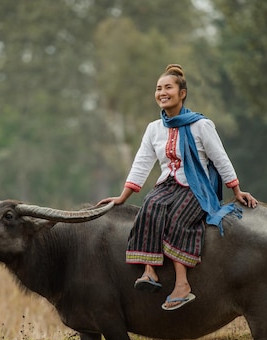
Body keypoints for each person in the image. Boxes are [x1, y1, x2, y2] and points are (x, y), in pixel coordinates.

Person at [98, 64, 258, 311]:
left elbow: (220, 158)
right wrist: (122, 197)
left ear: (182, 93)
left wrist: (236, 190)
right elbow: (141, 163)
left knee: (177, 218)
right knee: (149, 208)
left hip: (196, 187)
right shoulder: (154, 128)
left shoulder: (202, 125)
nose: (162, 92)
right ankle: (149, 272)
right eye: (158, 88)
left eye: (168, 87)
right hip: (167, 186)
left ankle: (182, 285)